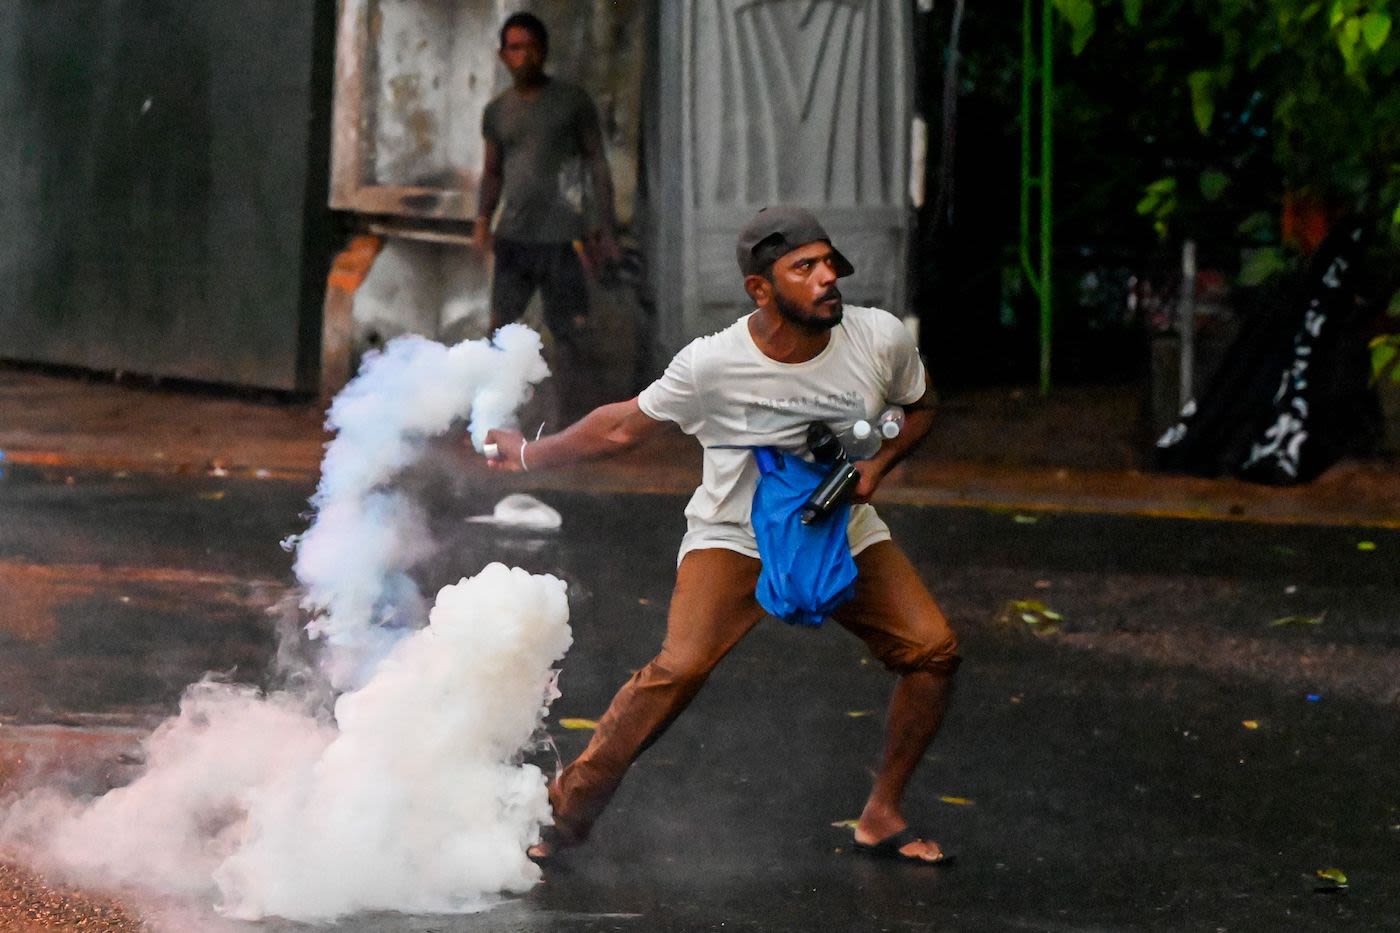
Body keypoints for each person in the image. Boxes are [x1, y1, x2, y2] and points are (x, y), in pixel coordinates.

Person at [483, 206, 960, 865]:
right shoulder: (714, 363)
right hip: (734, 537)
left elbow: (922, 405)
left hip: (838, 529)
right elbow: (621, 427)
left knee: (933, 650)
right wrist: (529, 454)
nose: (827, 277)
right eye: (804, 267)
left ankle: (882, 813)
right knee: (678, 668)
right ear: (760, 289)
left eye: (829, 262)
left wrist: (876, 467)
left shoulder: (878, 339)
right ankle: (562, 816)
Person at [474, 11, 619, 341]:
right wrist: (482, 220)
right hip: (515, 236)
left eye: (531, 47)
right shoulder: (496, 111)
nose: (524, 56)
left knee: (573, 333)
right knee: (500, 331)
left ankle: (573, 378)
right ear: (502, 55)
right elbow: (492, 172)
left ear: (544, 50)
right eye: (515, 48)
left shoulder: (572, 102)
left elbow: (597, 163)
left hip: (565, 238)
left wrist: (606, 230)